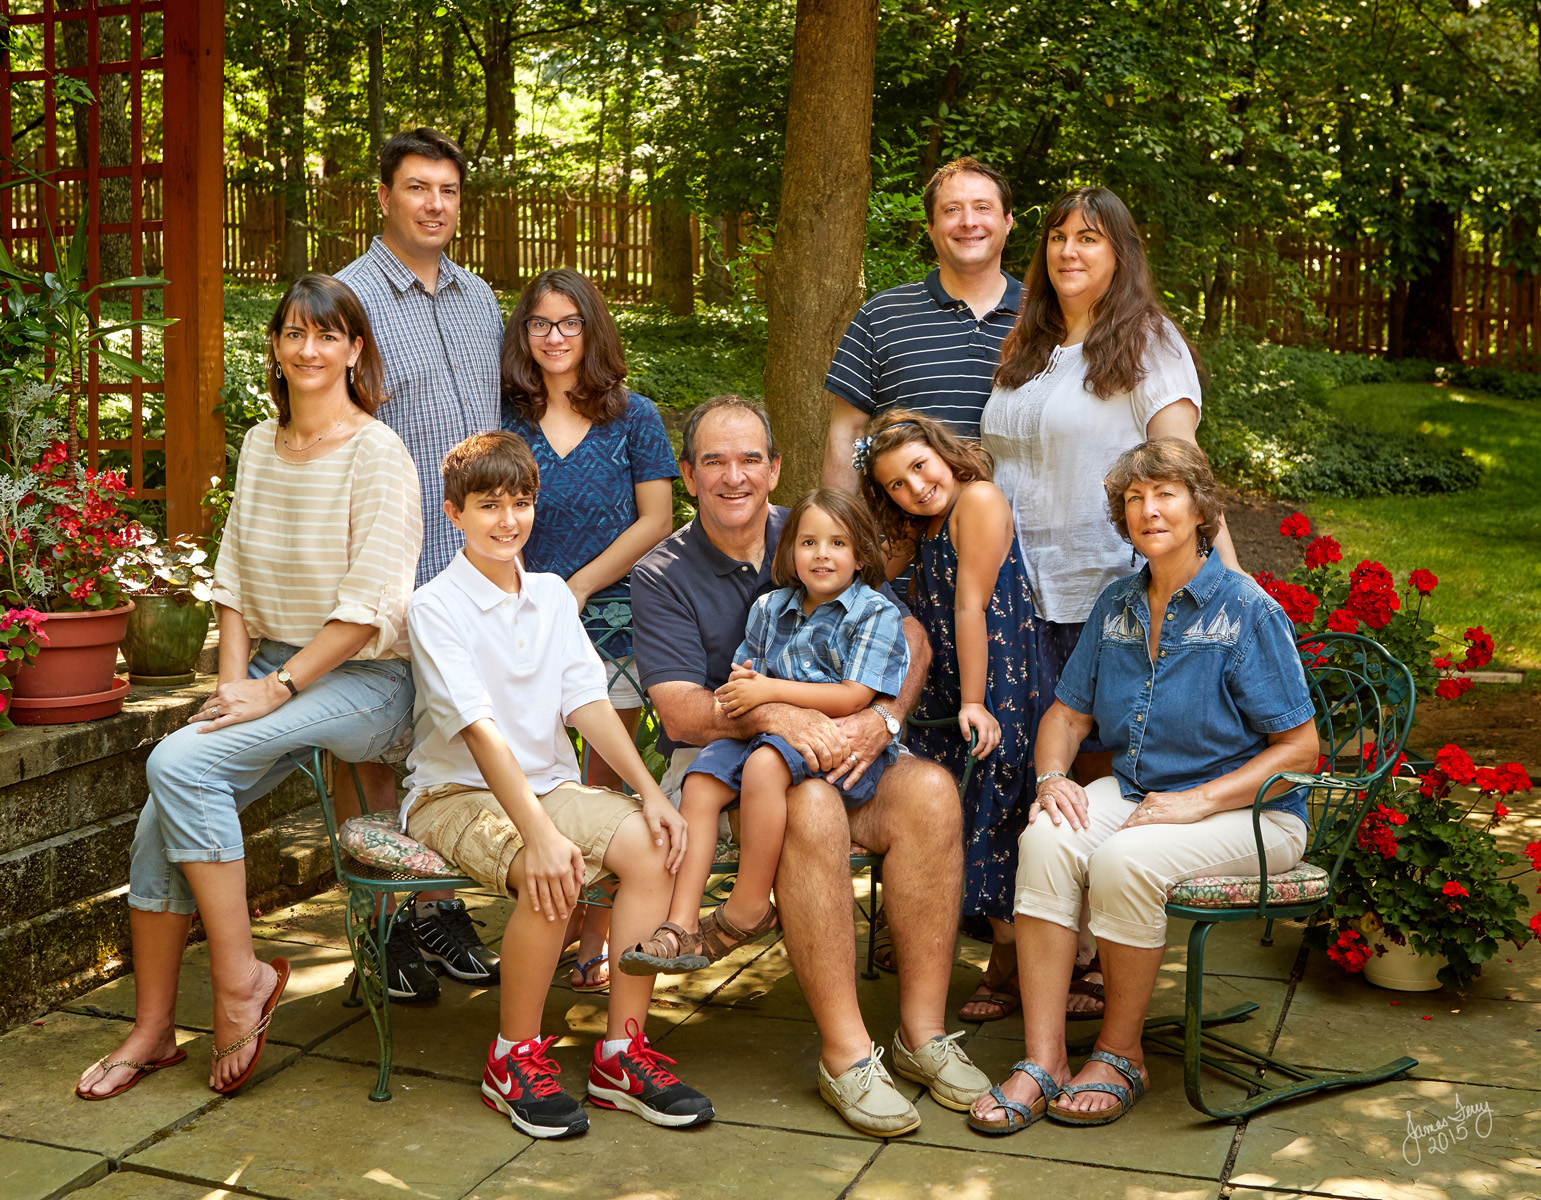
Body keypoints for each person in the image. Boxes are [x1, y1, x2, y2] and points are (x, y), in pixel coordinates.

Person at [75, 275, 421, 1099]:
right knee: (167, 804)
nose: (309, 349)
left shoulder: (380, 452)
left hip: (368, 679)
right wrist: (234, 687)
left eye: (328, 335)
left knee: (179, 766)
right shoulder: (264, 446)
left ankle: (239, 983)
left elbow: (372, 605)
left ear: (355, 349)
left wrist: (270, 693)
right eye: (294, 334)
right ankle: (155, 1030)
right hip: (272, 670)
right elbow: (233, 581)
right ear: (274, 346)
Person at [631, 395, 991, 1138]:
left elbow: (910, 638)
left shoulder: (811, 530)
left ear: (775, 468)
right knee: (813, 806)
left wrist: (879, 718)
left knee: (927, 789)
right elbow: (678, 712)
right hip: (727, 761)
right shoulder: (661, 571)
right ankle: (846, 1053)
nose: (735, 477)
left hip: (835, 746)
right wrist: (777, 714)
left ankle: (921, 1035)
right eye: (714, 461)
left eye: (750, 459)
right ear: (688, 476)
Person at [967, 438, 1316, 1134]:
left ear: (1198, 509)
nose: (1148, 509)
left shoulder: (1244, 610)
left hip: (1254, 815)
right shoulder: (1119, 605)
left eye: (1164, 494)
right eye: (1133, 498)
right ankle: (1043, 1061)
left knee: (1124, 862)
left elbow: (1300, 751)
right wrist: (1051, 776)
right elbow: (1067, 714)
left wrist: (1193, 803)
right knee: (1045, 837)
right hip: (1137, 793)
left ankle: (1119, 1052)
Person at [402, 430, 712, 1140]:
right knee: (555, 871)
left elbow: (588, 706)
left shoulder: (548, 596)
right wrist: (541, 835)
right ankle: (511, 1059)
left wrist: (652, 793)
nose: (508, 520)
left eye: (520, 502)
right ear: (454, 513)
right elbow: (478, 733)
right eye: (487, 506)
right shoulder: (434, 606)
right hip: (454, 796)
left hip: (548, 786)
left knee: (650, 843)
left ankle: (619, 1054)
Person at [979, 185, 1242, 1014]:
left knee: (1094, 771)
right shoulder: (1030, 345)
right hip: (1015, 590)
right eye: (1056, 238)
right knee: (1019, 765)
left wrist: (1224, 594)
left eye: (1088, 239)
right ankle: (1018, 942)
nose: (1067, 252)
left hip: (1107, 591)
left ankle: (1088, 954)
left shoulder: (1148, 345)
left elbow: (1181, 470)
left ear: (1120, 254)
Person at [336, 127, 505, 997]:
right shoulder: (348, 300)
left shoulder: (480, 298)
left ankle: (436, 907)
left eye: (447, 189)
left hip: (475, 572)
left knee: (449, 751)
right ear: (384, 197)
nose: (434, 204)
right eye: (416, 188)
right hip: (392, 569)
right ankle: (384, 925)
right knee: (376, 744)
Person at [619, 488, 909, 976]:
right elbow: (745, 674)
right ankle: (681, 923)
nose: (822, 554)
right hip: (763, 734)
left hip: (831, 740)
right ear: (790, 554)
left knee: (762, 765)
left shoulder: (873, 611)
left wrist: (768, 692)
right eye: (809, 543)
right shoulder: (770, 607)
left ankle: (749, 904)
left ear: (860, 556)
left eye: (838, 544)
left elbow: (855, 696)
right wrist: (743, 691)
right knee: (701, 782)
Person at [501, 268, 678, 993]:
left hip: (613, 612)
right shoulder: (505, 420)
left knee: (605, 774)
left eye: (569, 322)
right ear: (523, 333)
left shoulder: (633, 416)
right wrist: (541, 594)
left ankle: (598, 927)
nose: (554, 337)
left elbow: (657, 519)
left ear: (592, 328)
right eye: (540, 324)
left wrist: (581, 585)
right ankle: (552, 903)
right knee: (542, 768)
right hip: (525, 614)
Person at [858, 410, 1037, 1024]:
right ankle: (975, 957)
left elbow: (970, 606)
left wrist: (973, 700)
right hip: (947, 690)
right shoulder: (927, 523)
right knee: (952, 819)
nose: (913, 487)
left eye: (918, 466)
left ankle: (1009, 968)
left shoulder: (978, 500)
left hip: (990, 685)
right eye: (895, 485)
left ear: (940, 450)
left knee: (995, 811)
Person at [821, 157, 1020, 494]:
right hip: (901, 539)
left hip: (1022, 538)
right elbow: (846, 434)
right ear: (930, 227)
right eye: (952, 210)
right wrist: (846, 533)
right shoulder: (881, 316)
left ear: (1007, 221)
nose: (968, 222)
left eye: (982, 207)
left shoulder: (1048, 317)